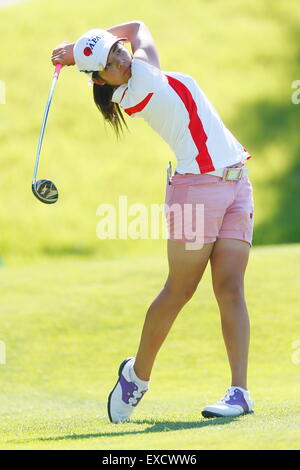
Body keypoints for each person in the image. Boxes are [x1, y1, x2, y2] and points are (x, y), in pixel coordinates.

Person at [51, 21, 255, 423]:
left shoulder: (145, 70)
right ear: (102, 81)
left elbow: (137, 29)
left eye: (117, 50)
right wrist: (78, 51)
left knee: (230, 288)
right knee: (179, 291)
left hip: (237, 184)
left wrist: (81, 46)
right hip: (196, 191)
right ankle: (136, 377)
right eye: (108, 62)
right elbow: (139, 33)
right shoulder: (137, 86)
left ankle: (240, 392)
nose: (119, 57)